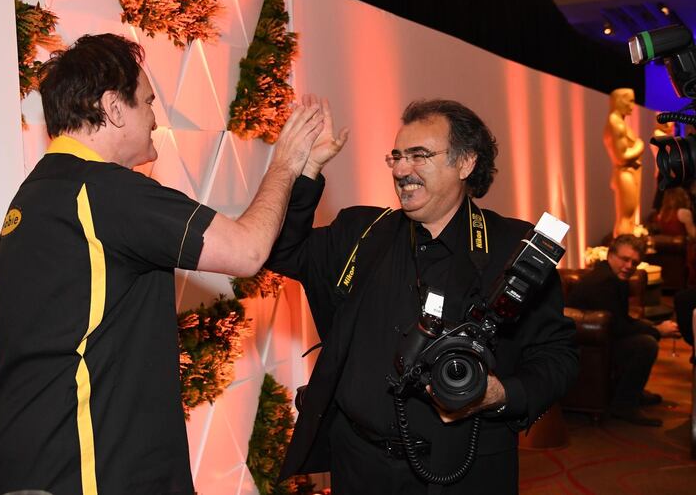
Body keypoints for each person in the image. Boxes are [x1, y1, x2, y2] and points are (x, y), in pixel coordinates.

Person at [0, 34, 326, 495]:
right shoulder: (105, 191)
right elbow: (247, 250)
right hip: (89, 471)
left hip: (33, 466)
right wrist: (284, 163)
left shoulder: (35, 195)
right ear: (113, 107)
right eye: (146, 102)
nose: (154, 118)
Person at [266, 99, 579, 494]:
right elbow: (281, 252)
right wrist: (308, 169)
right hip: (358, 466)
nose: (400, 170)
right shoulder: (360, 231)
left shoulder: (513, 247)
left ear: (466, 163)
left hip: (464, 472)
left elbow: (558, 357)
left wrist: (501, 395)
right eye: (396, 157)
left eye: (419, 156)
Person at [567, 234, 679, 427]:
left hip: (601, 339)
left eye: (634, 262)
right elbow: (619, 326)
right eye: (625, 259)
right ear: (611, 254)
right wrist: (657, 330)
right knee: (646, 344)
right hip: (585, 345)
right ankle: (624, 405)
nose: (629, 266)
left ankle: (632, 393)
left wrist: (652, 327)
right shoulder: (604, 282)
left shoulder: (611, 277)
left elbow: (620, 321)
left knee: (644, 338)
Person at [603, 88, 645, 237]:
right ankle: (624, 248)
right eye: (631, 101)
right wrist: (640, 145)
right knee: (625, 218)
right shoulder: (617, 125)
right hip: (625, 173)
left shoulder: (619, 122)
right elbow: (621, 156)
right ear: (621, 101)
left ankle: (627, 249)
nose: (633, 105)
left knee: (629, 217)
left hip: (628, 173)